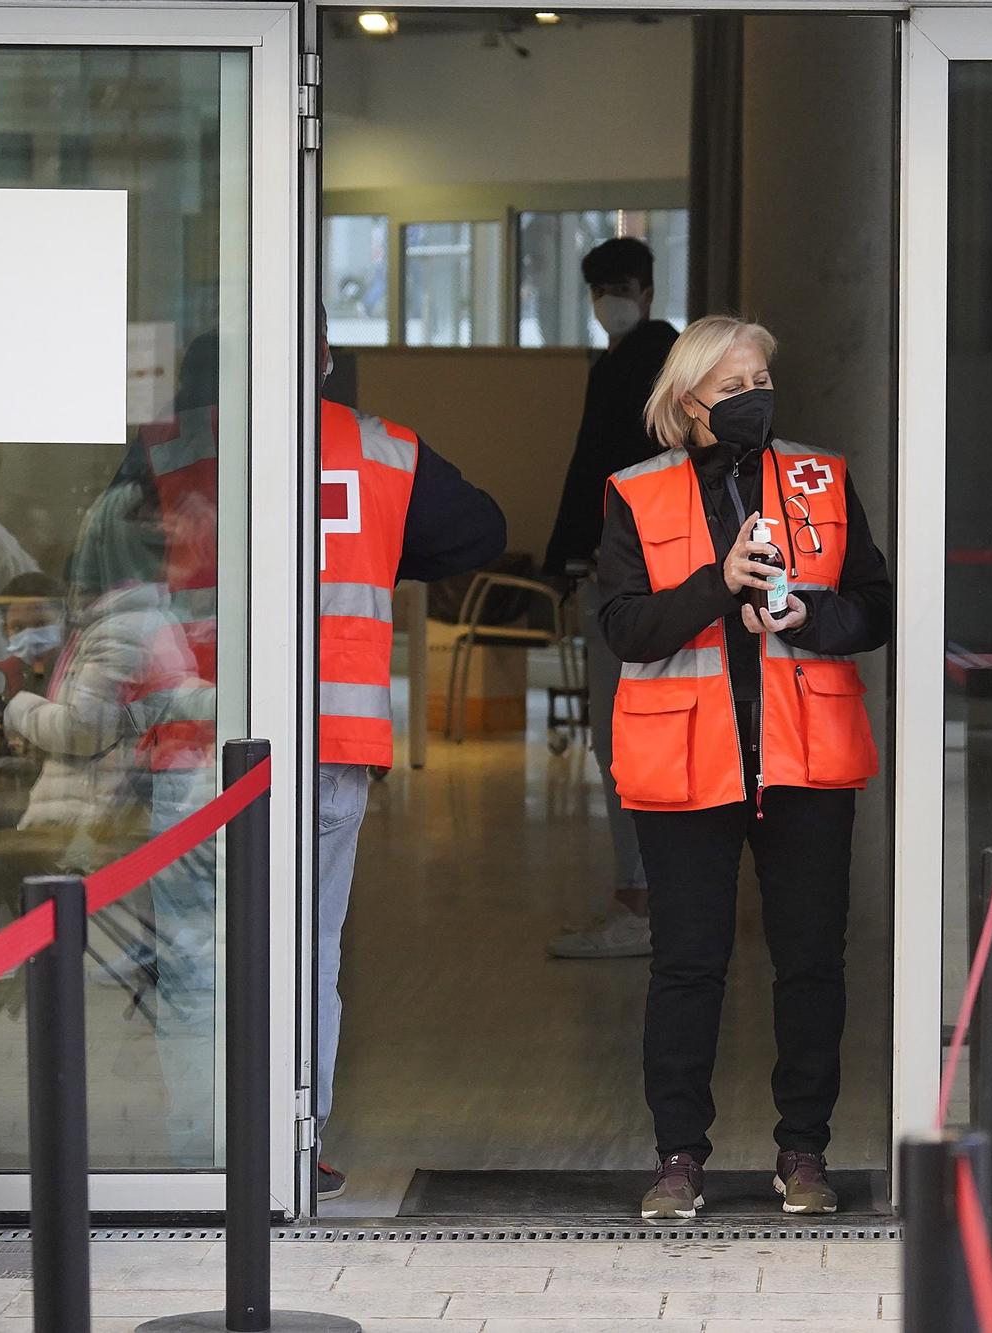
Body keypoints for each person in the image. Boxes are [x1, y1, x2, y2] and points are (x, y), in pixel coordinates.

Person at [597, 315, 890, 1219]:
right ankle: (678, 1157)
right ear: (686, 404)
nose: (753, 396)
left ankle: (804, 1152)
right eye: (732, 387)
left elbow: (875, 606)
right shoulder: (635, 492)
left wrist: (813, 617)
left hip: (805, 758)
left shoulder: (822, 477)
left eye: (762, 377)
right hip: (689, 761)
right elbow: (624, 628)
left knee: (811, 962)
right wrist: (717, 583)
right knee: (688, 964)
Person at [313, 312, 506, 1197]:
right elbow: (479, 533)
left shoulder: (186, 451)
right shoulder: (381, 448)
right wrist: (380, 548)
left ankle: (198, 1144)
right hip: (332, 736)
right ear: (325, 357)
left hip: (196, 736)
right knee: (311, 943)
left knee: (203, 950)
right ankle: (297, 1139)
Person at [542, 237, 680, 961]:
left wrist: (567, 554)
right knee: (647, 736)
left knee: (622, 737)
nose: (609, 301)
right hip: (667, 578)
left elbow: (592, 466)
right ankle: (658, 898)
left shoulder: (635, 366)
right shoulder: (666, 361)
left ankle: (639, 900)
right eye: (600, 288)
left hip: (624, 575)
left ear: (648, 289)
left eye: (619, 286)